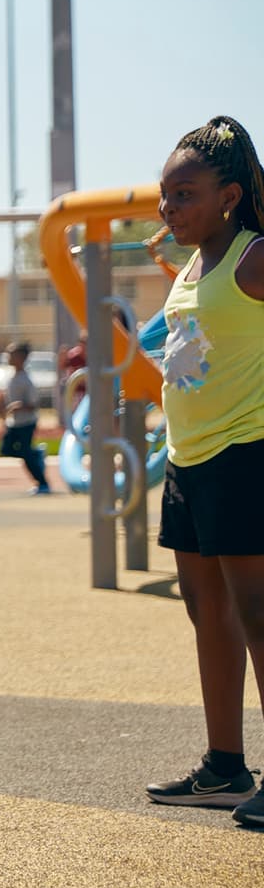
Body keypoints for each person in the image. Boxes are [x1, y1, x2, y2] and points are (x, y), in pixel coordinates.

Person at [141, 116, 264, 830]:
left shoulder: (253, 258)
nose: (169, 209)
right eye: (165, 195)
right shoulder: (192, 264)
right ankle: (224, 765)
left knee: (258, 612)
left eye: (183, 194)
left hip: (245, 453)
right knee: (205, 610)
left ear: (229, 194)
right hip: (188, 460)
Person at [0, 341, 51, 494]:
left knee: (26, 455)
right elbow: (8, 401)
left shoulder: (26, 380)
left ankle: (43, 484)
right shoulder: (11, 377)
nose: (8, 357)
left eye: (12, 354)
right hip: (14, 423)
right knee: (6, 449)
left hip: (27, 422)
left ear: (21, 358)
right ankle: (37, 454)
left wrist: (19, 406)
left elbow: (34, 403)